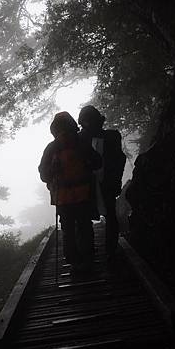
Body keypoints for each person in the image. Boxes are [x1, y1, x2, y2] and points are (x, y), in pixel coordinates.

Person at [38, 111, 102, 272]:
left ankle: (74, 262)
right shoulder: (81, 142)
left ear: (54, 129)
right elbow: (97, 163)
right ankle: (88, 259)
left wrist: (53, 172)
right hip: (83, 195)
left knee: (68, 231)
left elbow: (44, 175)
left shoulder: (51, 148)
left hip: (63, 198)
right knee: (84, 227)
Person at [78, 105, 126, 259]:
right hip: (96, 183)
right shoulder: (111, 136)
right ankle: (108, 250)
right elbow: (119, 160)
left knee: (89, 217)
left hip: (98, 184)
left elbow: (118, 160)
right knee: (103, 215)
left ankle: (94, 251)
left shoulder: (80, 139)